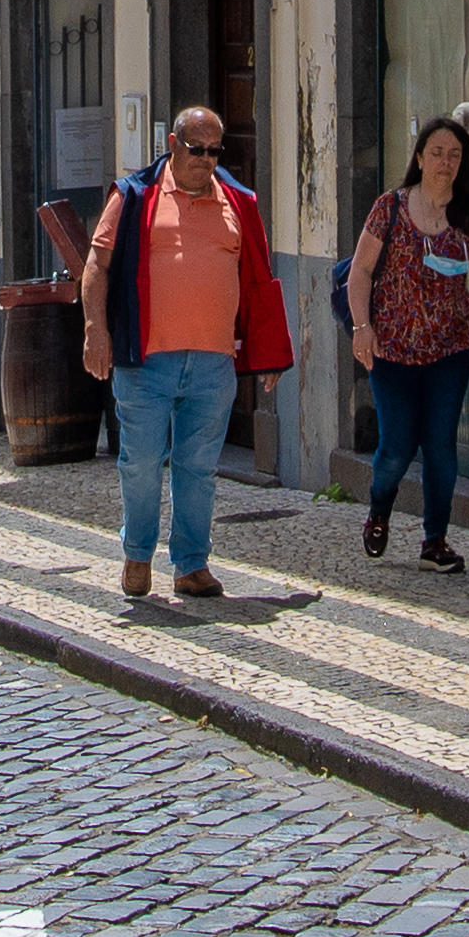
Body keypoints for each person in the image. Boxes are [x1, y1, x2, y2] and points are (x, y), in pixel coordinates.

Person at [77, 102, 286, 606]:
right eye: (198, 150)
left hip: (213, 363)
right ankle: (137, 553)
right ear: (172, 146)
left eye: (216, 151)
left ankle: (191, 565)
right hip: (145, 360)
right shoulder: (135, 197)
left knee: (198, 468)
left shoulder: (238, 201)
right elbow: (96, 267)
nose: (207, 160)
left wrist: (268, 350)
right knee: (141, 462)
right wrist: (95, 331)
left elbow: (257, 278)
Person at [343, 106, 469, 573]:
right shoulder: (391, 207)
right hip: (393, 350)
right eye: (437, 152)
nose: (445, 162)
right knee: (397, 445)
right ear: (420, 158)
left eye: (455, 154)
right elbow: (359, 272)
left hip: (450, 350)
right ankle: (380, 508)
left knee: (440, 444)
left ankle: (434, 541)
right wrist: (363, 326)